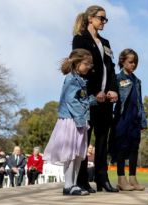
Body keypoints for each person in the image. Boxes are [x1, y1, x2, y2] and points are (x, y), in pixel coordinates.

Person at [73, 5, 119, 193]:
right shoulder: (80, 39)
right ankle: (82, 180)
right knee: (85, 140)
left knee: (102, 141)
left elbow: (111, 68)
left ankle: (102, 179)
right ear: (90, 18)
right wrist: (94, 92)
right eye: (101, 18)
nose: (104, 22)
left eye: (105, 19)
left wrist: (112, 90)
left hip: (106, 101)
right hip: (89, 100)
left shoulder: (106, 42)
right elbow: (81, 67)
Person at [44, 49, 96, 196]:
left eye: (90, 65)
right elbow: (71, 100)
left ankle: (73, 184)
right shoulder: (71, 79)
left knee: (79, 154)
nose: (89, 67)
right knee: (71, 154)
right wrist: (81, 117)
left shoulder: (81, 80)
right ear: (77, 62)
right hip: (72, 121)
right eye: (87, 64)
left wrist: (93, 99)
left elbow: (81, 100)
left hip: (79, 120)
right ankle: (68, 185)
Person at [110, 49, 147, 191]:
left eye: (135, 63)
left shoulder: (137, 81)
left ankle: (133, 178)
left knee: (134, 148)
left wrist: (143, 120)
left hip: (135, 118)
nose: (133, 65)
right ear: (122, 61)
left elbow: (140, 102)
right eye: (131, 62)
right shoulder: (117, 78)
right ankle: (121, 179)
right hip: (122, 118)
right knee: (121, 146)